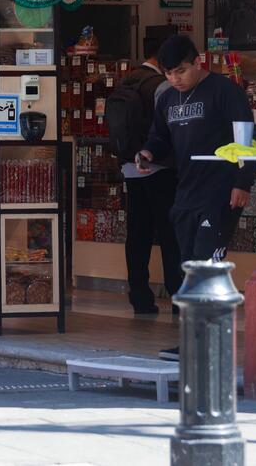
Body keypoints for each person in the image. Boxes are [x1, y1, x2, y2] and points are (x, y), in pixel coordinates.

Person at [137, 35, 256, 360]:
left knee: (208, 267)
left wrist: (243, 182)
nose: (175, 79)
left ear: (198, 61)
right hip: (185, 194)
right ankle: (192, 341)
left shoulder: (224, 92)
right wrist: (148, 151)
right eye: (169, 73)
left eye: (181, 71)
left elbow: (247, 137)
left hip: (220, 193)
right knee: (187, 271)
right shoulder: (167, 101)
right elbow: (159, 137)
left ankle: (210, 344)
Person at [106, 42, 182, 316]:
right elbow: (172, 125)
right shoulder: (160, 85)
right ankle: (177, 296)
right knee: (171, 233)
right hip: (159, 168)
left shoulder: (126, 81)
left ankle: (139, 296)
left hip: (130, 167)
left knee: (138, 233)